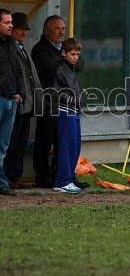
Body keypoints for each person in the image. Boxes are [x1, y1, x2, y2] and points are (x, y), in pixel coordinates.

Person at [31, 15, 87, 189]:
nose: (61, 32)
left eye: (63, 28)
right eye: (57, 28)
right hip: (49, 104)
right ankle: (43, 177)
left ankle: (66, 176)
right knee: (45, 140)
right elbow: (53, 70)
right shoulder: (40, 49)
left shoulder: (64, 49)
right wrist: (64, 58)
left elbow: (79, 66)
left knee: (65, 142)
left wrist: (68, 56)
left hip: (68, 105)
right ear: (46, 31)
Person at [4, 13, 41, 189]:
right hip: (15, 101)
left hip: (24, 103)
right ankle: (7, 177)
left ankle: (15, 176)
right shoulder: (11, 48)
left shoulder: (21, 48)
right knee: (10, 143)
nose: (24, 32)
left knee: (20, 143)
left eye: (26, 29)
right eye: (20, 29)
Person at [52, 38, 87, 193]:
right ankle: (62, 181)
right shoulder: (60, 69)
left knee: (74, 146)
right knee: (67, 146)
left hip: (74, 111)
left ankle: (69, 179)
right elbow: (56, 91)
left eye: (78, 54)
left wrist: (81, 94)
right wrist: (73, 97)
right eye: (73, 54)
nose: (76, 57)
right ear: (64, 53)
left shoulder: (71, 68)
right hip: (65, 111)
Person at [0, 8, 25, 196]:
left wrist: (20, 93)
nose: (11, 26)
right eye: (7, 23)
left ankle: (1, 184)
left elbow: (18, 71)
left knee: (3, 146)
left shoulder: (11, 44)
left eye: (11, 23)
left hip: (11, 101)